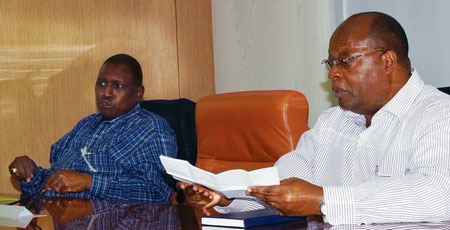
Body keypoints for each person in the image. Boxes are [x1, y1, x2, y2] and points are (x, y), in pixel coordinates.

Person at [178, 12, 450, 225]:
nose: (333, 74)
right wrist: (227, 197)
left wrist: (324, 199)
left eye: (345, 61)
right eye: (331, 63)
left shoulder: (437, 114)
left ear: (388, 62)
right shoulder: (333, 122)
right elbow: (285, 182)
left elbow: (438, 194)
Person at [9, 54, 177, 203]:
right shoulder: (87, 125)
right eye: (101, 84)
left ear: (138, 93)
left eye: (117, 86)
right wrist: (28, 173)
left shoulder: (151, 129)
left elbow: (157, 193)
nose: (106, 93)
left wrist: (88, 182)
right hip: (61, 215)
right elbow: (57, 180)